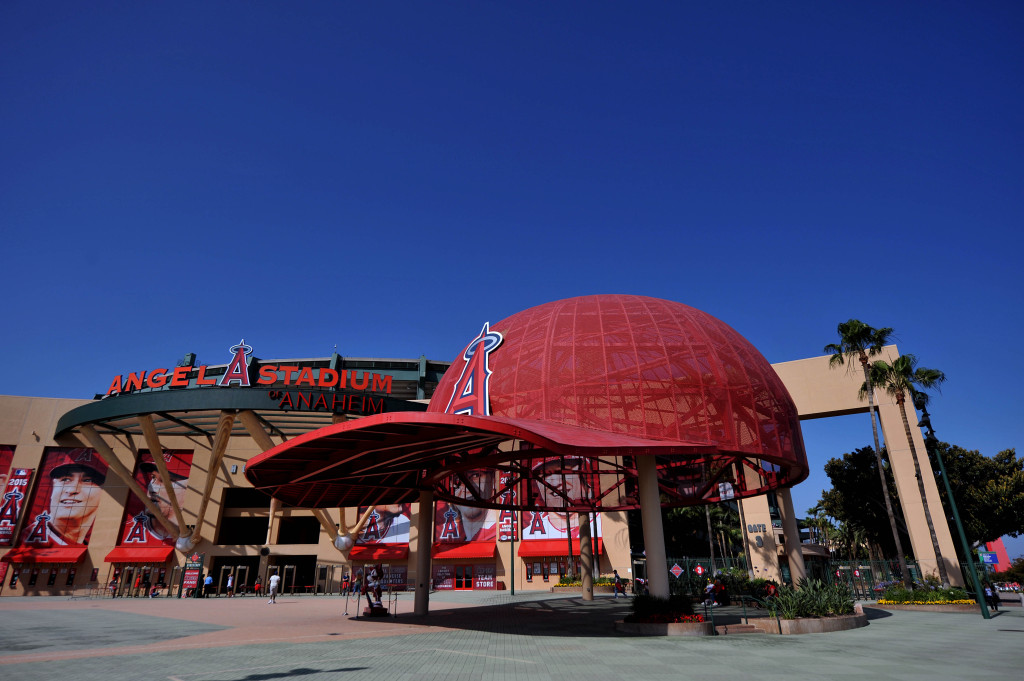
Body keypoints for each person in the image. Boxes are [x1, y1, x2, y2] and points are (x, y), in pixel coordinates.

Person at [22, 451, 108, 546]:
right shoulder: (26, 541)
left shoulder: (90, 547)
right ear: (54, 485)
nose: (72, 489)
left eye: (87, 480)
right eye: (65, 479)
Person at [436, 469, 497, 542]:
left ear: (493, 480)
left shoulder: (499, 532)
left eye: (475, 475)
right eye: (457, 480)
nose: (467, 488)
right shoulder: (443, 531)